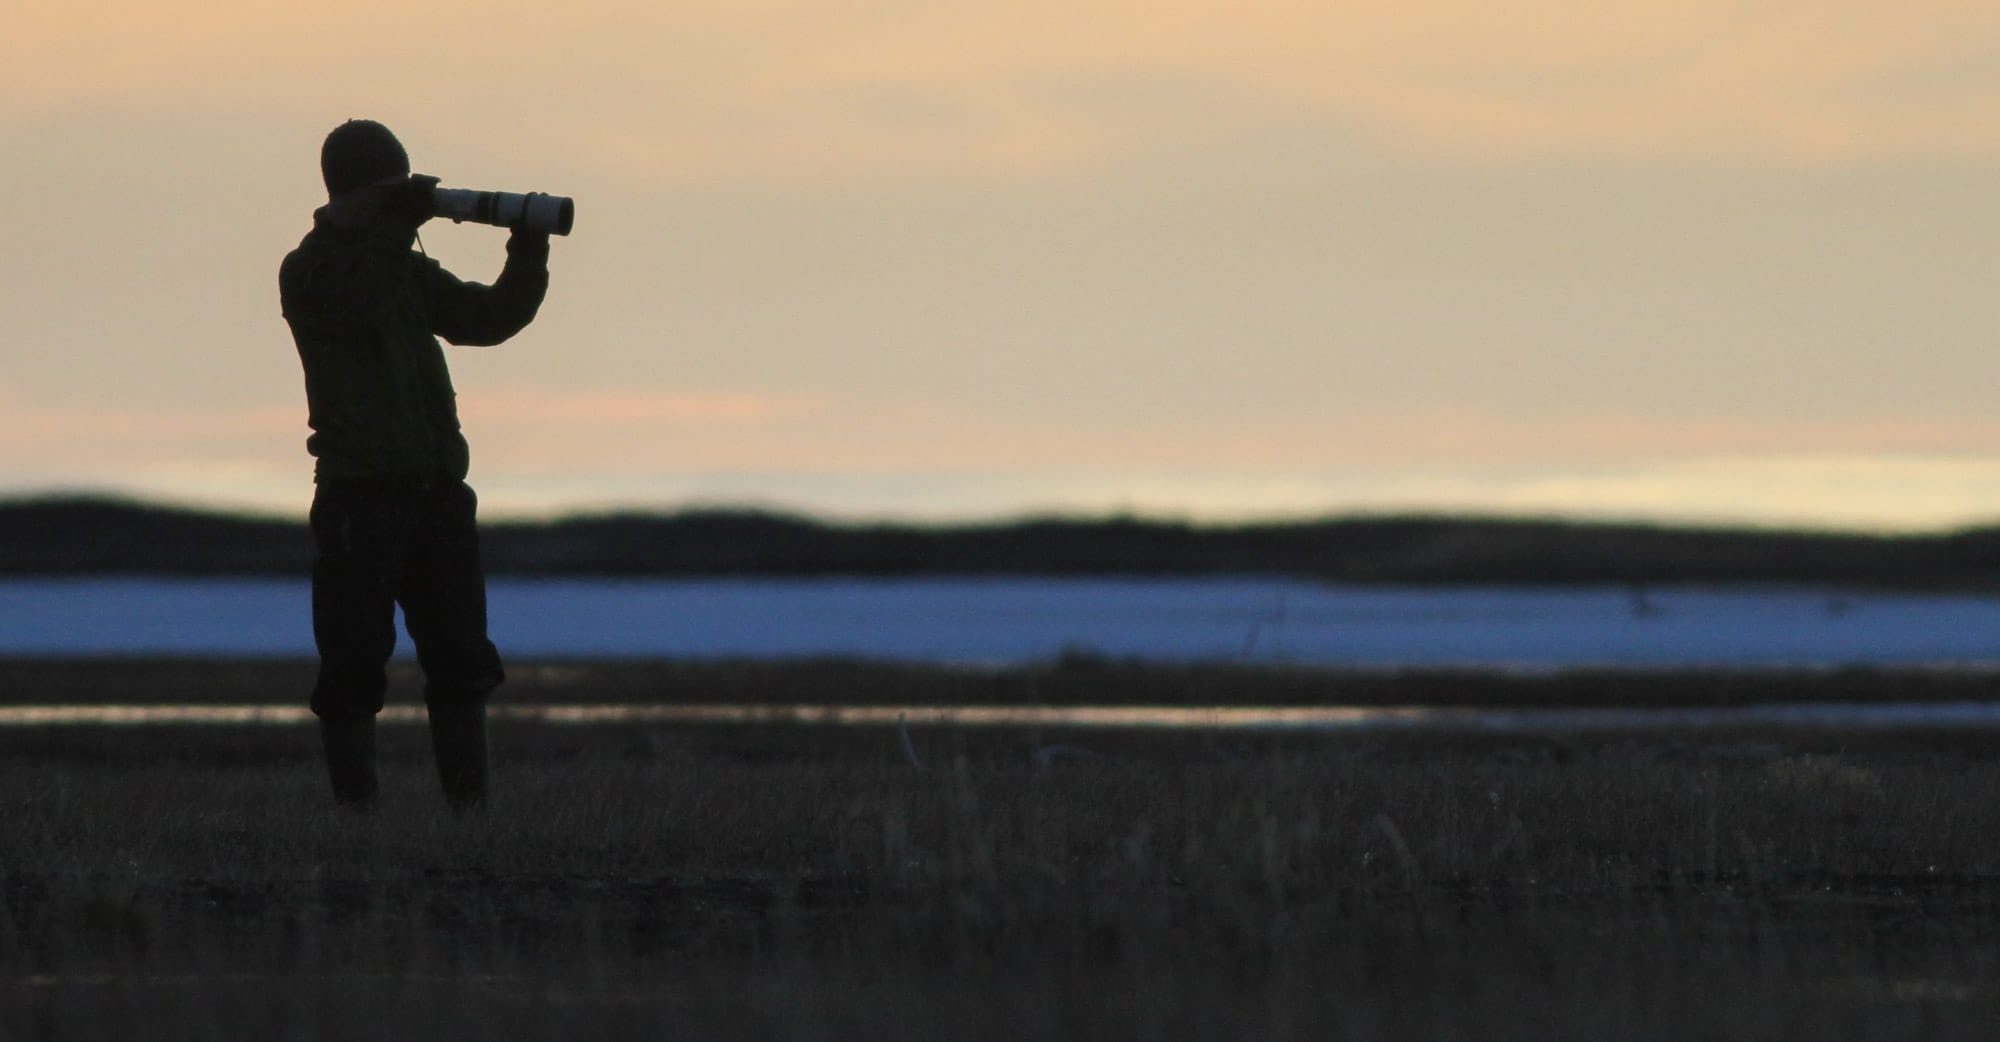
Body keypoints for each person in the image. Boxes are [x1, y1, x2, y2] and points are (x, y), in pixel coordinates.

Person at [278, 119, 552, 809]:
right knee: (352, 667)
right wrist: (393, 228)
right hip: (358, 501)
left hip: (436, 498)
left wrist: (528, 247)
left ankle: (470, 816)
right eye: (386, 191)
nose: (400, 203)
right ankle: (358, 821)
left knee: (462, 663)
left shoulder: (399, 264)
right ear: (347, 195)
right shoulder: (310, 270)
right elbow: (361, 304)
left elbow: (486, 319)